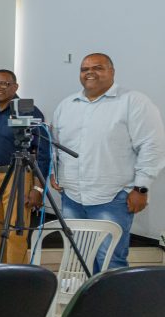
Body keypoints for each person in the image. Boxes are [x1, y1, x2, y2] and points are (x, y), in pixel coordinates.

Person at [53, 53, 165, 270]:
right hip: (72, 197)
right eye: (84, 69)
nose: (90, 73)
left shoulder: (133, 102)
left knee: (110, 260)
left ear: (112, 72)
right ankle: (88, 302)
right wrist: (55, 174)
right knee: (80, 258)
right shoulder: (67, 106)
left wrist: (141, 188)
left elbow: (152, 147)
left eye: (98, 68)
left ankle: (112, 304)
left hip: (112, 198)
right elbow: (57, 146)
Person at [0, 69, 50, 264]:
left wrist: (38, 187)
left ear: (15, 86)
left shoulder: (28, 111)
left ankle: (16, 274)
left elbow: (43, 152)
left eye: (4, 84)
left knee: (15, 229)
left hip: (17, 176)